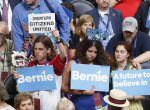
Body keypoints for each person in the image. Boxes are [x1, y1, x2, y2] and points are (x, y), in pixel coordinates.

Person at [13, 29, 67, 110]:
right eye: (35, 49)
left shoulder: (54, 63)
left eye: (40, 49)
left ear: (48, 50)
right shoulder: (31, 65)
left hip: (52, 107)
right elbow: (25, 90)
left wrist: (58, 39)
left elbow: (63, 55)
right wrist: (19, 80)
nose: (37, 52)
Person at [62, 38, 114, 110]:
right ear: (83, 50)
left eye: (95, 52)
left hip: (98, 102)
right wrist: (81, 92)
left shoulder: (101, 65)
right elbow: (64, 87)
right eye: (90, 51)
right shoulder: (73, 64)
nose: (92, 55)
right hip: (79, 103)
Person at [111, 41, 145, 110]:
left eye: (122, 52)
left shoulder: (135, 69)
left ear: (128, 54)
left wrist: (130, 97)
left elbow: (143, 95)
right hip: (115, 107)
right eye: (117, 51)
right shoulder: (112, 71)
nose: (118, 54)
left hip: (132, 107)